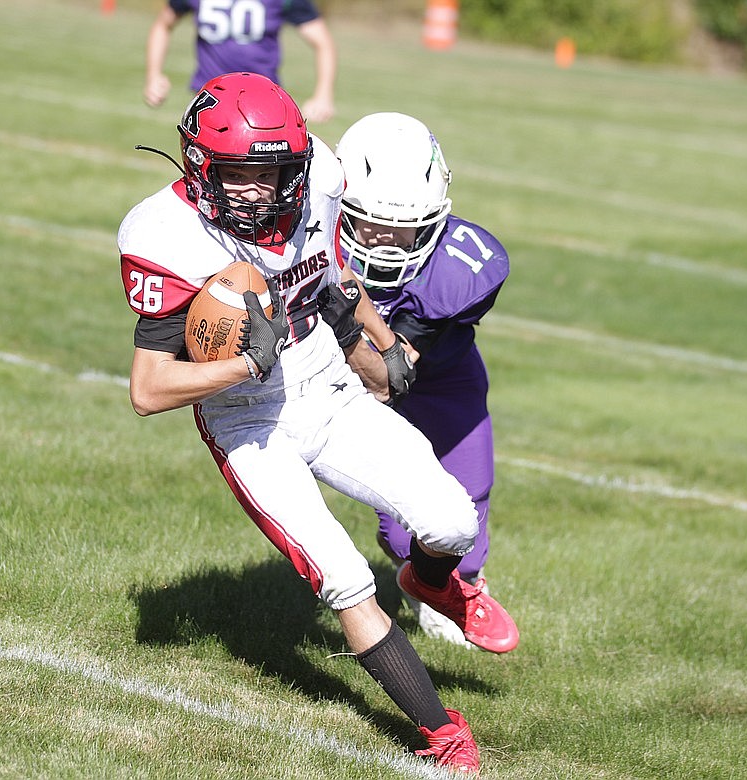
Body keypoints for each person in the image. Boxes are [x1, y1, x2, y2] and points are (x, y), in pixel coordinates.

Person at [118, 72, 518, 773]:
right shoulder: (165, 235)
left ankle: (430, 582)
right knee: (344, 580)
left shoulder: (320, 180)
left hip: (327, 385)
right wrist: (242, 366)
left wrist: (381, 343)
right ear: (200, 165)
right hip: (250, 422)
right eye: (242, 174)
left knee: (453, 520)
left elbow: (331, 274)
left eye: (275, 172)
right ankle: (441, 732)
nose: (262, 190)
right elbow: (149, 390)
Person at [335, 112, 512, 648]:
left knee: (471, 485)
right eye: (372, 224)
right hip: (344, 378)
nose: (388, 240)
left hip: (440, 374)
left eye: (405, 227)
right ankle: (420, 572)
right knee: (400, 527)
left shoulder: (462, 266)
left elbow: (395, 369)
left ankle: (459, 587)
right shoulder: (314, 245)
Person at [142, 0, 335, 123]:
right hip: (210, 100)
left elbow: (322, 42)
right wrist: (153, 75)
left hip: (263, 100)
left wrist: (323, 95)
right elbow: (163, 25)